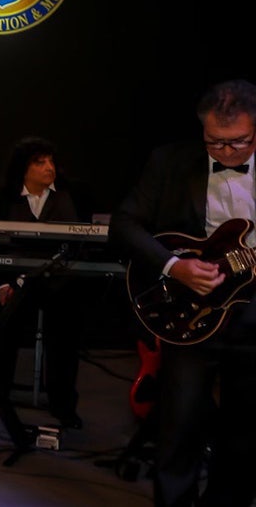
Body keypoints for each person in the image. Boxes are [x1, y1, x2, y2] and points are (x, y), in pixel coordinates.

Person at [109, 78, 256, 507]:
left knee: (245, 434)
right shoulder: (169, 162)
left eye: (240, 143)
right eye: (215, 143)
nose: (228, 153)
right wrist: (176, 267)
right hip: (190, 318)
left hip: (252, 320)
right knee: (178, 430)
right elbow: (124, 225)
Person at [0, 135, 86, 430]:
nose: (49, 168)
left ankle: (63, 404)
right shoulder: (0, 201)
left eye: (51, 161)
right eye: (40, 162)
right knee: (1, 330)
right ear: (23, 169)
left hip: (59, 285)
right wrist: (2, 285)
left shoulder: (70, 196)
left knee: (66, 333)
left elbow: (82, 244)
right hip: (15, 284)